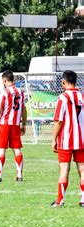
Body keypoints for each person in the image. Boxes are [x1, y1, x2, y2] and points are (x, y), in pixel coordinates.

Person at [51, 70, 84, 207]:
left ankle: (60, 200)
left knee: (64, 169)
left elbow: (58, 121)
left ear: (63, 82)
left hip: (66, 139)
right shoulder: (82, 96)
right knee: (82, 169)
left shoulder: (63, 97)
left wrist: (54, 139)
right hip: (81, 139)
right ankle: (83, 200)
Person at [0, 70, 27, 182]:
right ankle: (19, 175)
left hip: (4, 124)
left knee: (1, 149)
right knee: (17, 149)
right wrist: (23, 124)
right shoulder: (21, 92)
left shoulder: (4, 92)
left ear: (5, 80)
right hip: (15, 125)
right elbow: (24, 109)